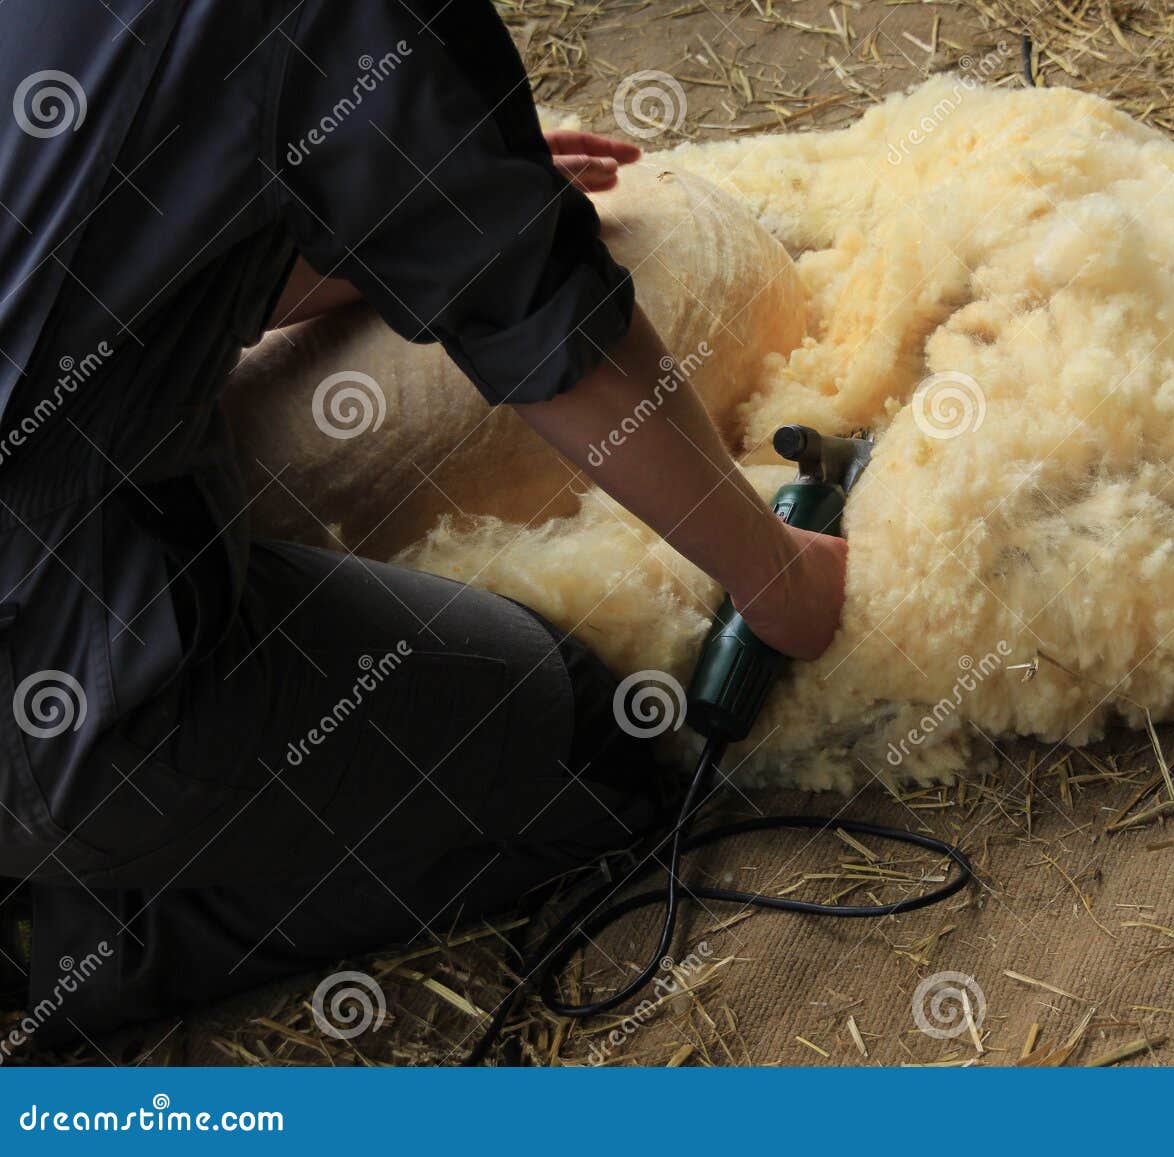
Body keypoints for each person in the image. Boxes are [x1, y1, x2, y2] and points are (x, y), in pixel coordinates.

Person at [0, 0, 846, 1050]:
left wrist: (413, 185)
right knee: (590, 740)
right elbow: (555, 341)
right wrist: (775, 577)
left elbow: (109, 227)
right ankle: (102, 925)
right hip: (48, 682)